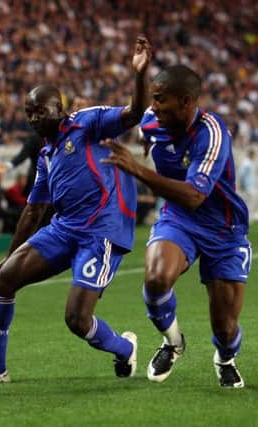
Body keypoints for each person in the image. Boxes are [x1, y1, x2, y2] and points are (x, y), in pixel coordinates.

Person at [0, 36, 152, 384]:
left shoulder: (87, 123)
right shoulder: (47, 154)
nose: (33, 118)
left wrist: (139, 75)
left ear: (59, 110)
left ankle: (124, 348)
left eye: (40, 111)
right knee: (2, 281)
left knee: (77, 320)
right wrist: (11, 253)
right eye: (28, 112)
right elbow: (33, 211)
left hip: (101, 231)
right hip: (64, 229)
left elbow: (134, 113)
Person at [101, 64, 251, 388]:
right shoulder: (152, 121)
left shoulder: (211, 132)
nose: (153, 106)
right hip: (179, 218)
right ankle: (172, 343)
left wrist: (139, 171)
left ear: (185, 102)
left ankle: (225, 358)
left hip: (223, 228)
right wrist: (140, 77)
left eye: (160, 100)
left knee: (225, 329)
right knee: (156, 278)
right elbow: (144, 125)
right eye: (153, 99)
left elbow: (196, 195)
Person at [239, 148, 257, 221]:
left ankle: (248, 216)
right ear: (251, 154)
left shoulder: (250, 162)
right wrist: (244, 185)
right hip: (247, 186)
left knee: (250, 201)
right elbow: (242, 174)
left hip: (250, 185)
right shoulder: (246, 163)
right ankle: (246, 217)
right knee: (247, 202)